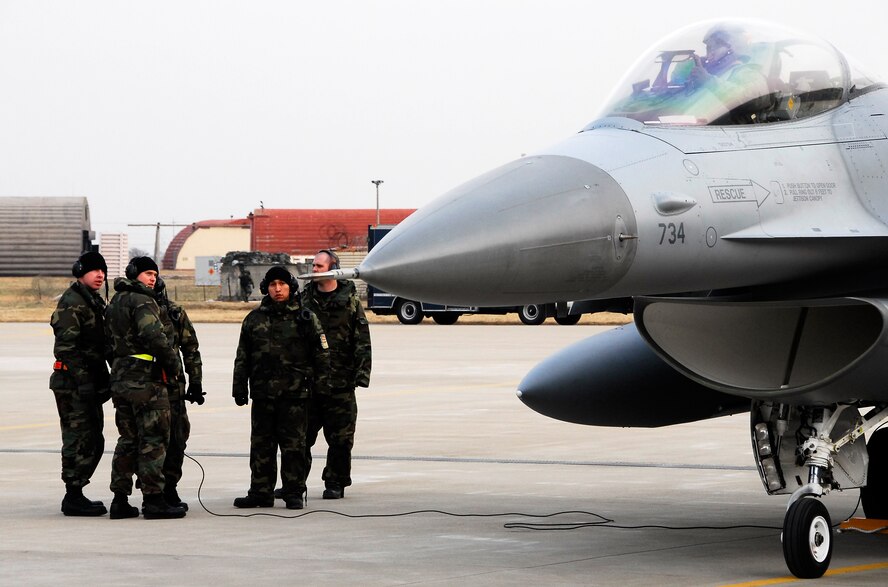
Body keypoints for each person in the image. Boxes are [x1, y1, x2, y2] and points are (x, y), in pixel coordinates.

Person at [232, 266, 331, 510]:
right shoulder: (254, 319)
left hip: (295, 395)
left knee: (294, 446)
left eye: (282, 284)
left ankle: (293, 492)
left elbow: (322, 356)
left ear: (291, 287)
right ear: (266, 288)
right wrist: (239, 387)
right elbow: (243, 356)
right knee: (261, 446)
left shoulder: (306, 319)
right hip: (263, 395)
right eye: (273, 285)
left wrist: (321, 388)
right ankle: (260, 492)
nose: (278, 289)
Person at [105, 256, 185, 519]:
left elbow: (107, 341)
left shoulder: (116, 301)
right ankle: (153, 499)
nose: (152, 279)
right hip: (146, 381)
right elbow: (154, 336)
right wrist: (173, 364)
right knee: (153, 439)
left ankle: (119, 499)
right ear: (134, 274)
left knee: (128, 439)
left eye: (155, 274)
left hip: (121, 378)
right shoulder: (143, 300)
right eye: (148, 273)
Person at [299, 249, 371, 499]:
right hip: (309, 382)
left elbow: (361, 338)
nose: (314, 269)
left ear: (333, 268)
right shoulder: (304, 299)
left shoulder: (349, 300)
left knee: (340, 439)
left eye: (319, 266)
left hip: (340, 382)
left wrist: (361, 374)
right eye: (313, 265)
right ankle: (295, 483)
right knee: (300, 437)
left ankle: (335, 482)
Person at [50, 251, 111, 516]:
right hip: (72, 383)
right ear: (80, 272)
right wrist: (84, 381)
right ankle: (73, 495)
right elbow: (66, 348)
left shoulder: (93, 301)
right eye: (94, 270)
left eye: (103, 271)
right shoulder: (72, 303)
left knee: (94, 439)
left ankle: (77, 491)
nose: (100, 275)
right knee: (78, 439)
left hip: (88, 382)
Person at [154, 277, 205, 511]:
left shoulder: (175, 312)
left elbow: (191, 348)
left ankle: (169, 487)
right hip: (147, 388)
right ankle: (151, 491)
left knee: (177, 438)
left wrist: (196, 382)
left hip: (173, 388)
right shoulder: (131, 310)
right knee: (150, 441)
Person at [687, 24, 770, 123]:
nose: (710, 53)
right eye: (708, 48)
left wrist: (708, 81)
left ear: (731, 48)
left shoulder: (746, 72)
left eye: (714, 47)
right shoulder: (717, 75)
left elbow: (754, 99)